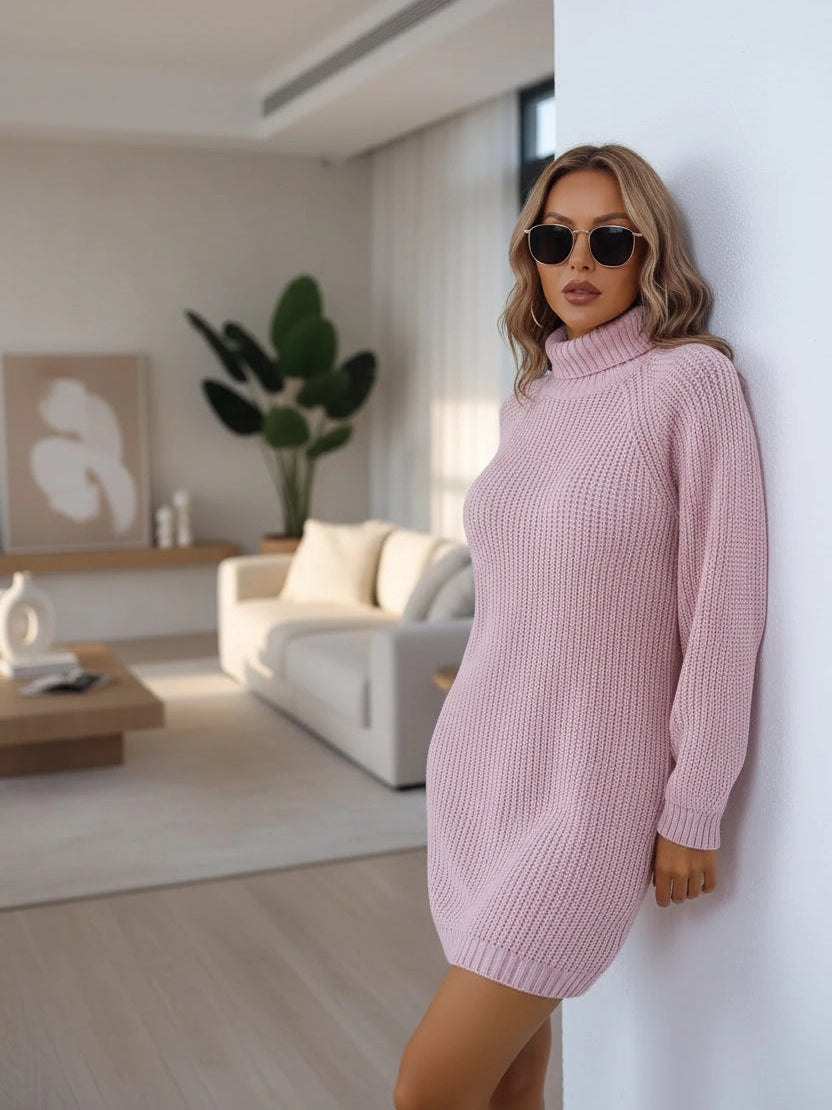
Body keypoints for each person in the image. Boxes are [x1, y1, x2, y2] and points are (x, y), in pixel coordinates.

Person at [393, 143, 768, 1110]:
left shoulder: (690, 387)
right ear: (531, 253)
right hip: (482, 769)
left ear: (650, 255)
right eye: (556, 237)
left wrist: (694, 804)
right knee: (514, 1077)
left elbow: (724, 610)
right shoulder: (533, 403)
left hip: (590, 795)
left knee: (427, 1089)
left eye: (612, 239)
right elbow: (516, 602)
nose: (580, 262)